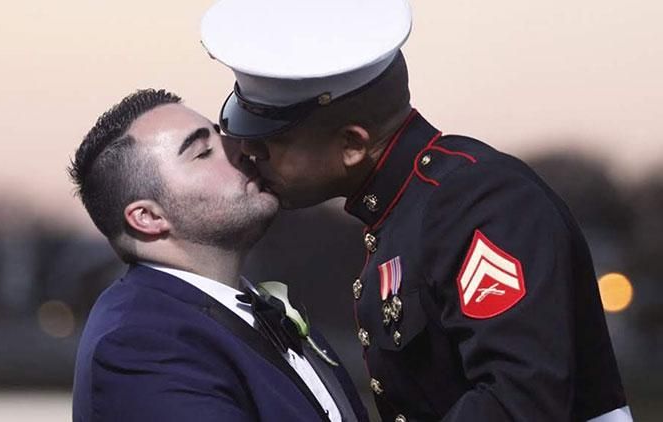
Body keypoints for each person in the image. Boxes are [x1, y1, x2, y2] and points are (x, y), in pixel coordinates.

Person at [201, 0, 632, 420]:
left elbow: (519, 399)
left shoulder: (479, 201)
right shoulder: (407, 211)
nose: (248, 151)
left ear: (352, 144)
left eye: (270, 141)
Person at [68, 89, 369, 422]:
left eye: (221, 134)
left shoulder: (256, 308)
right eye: (203, 152)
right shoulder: (138, 343)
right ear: (149, 217)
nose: (242, 147)